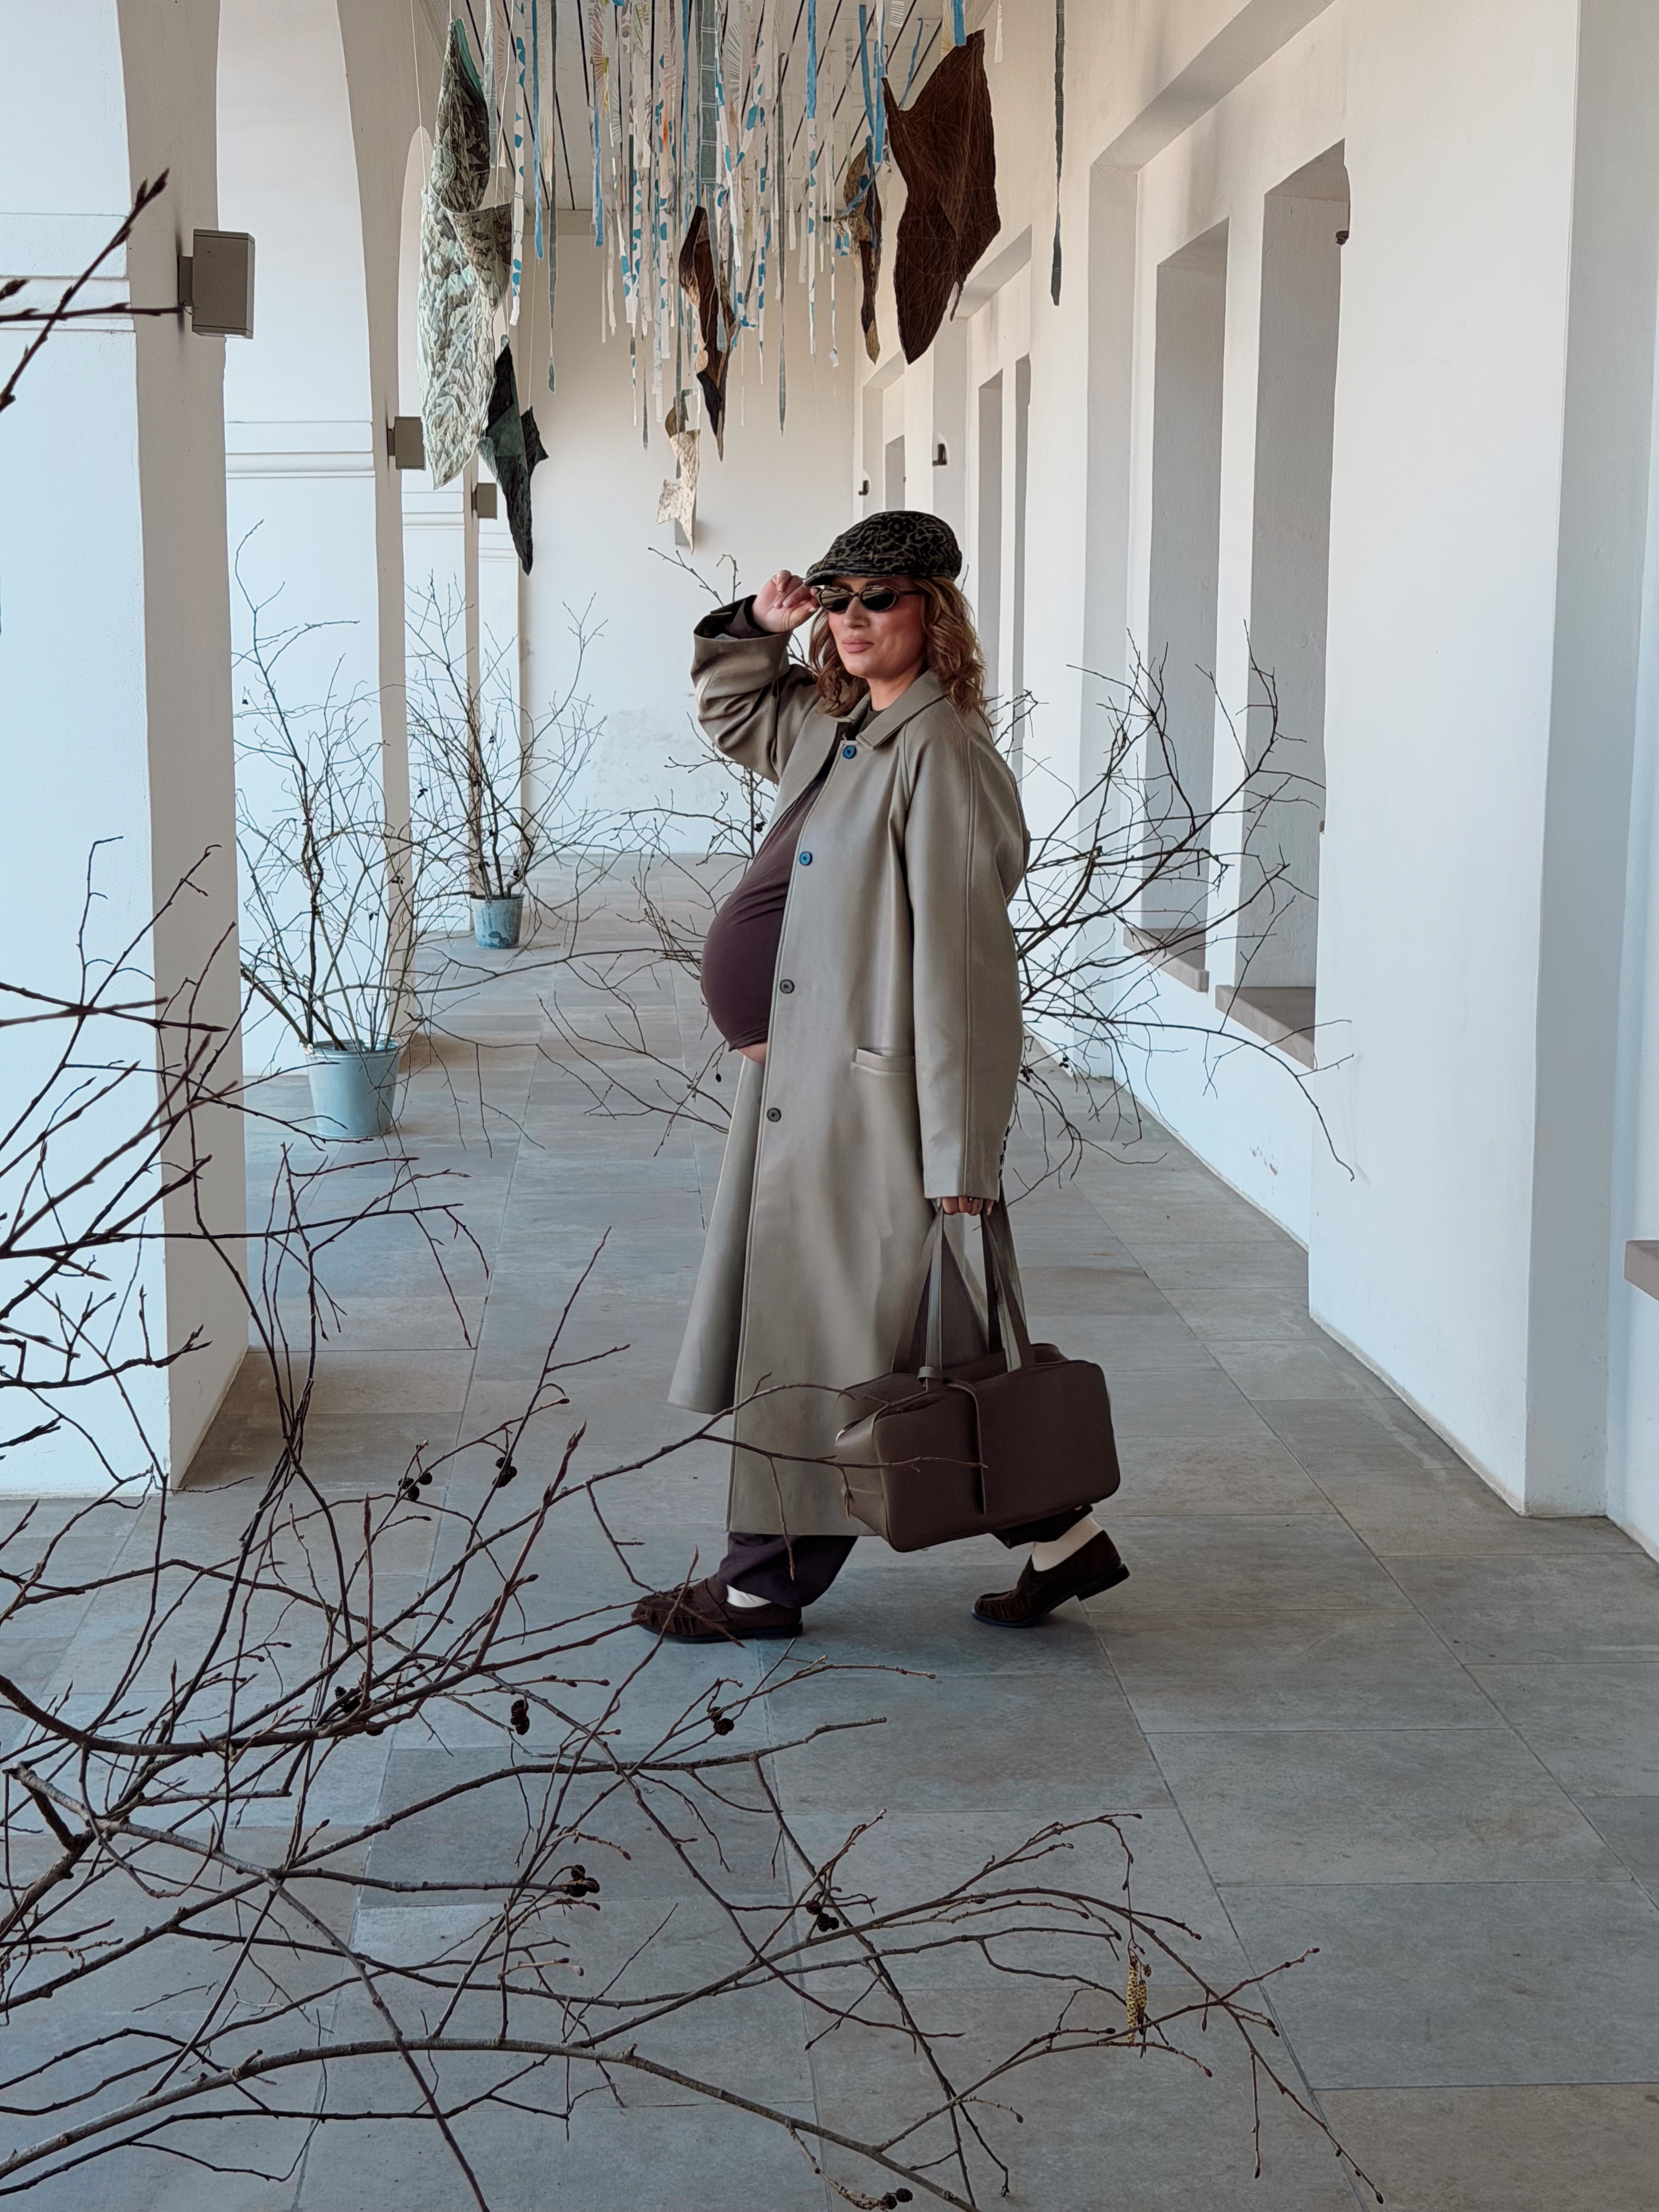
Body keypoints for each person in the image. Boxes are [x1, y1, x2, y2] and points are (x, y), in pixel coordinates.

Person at [631, 512, 1128, 1641]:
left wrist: (959, 1151)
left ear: (933, 616)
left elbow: (964, 971)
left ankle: (763, 1583)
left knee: (823, 1344)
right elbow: (734, 711)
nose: (853, 619)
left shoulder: (940, 755)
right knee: (928, 1340)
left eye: (880, 599)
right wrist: (754, 626)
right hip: (807, 1091)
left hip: (872, 1106)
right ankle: (1062, 1538)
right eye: (838, 598)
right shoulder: (841, 724)